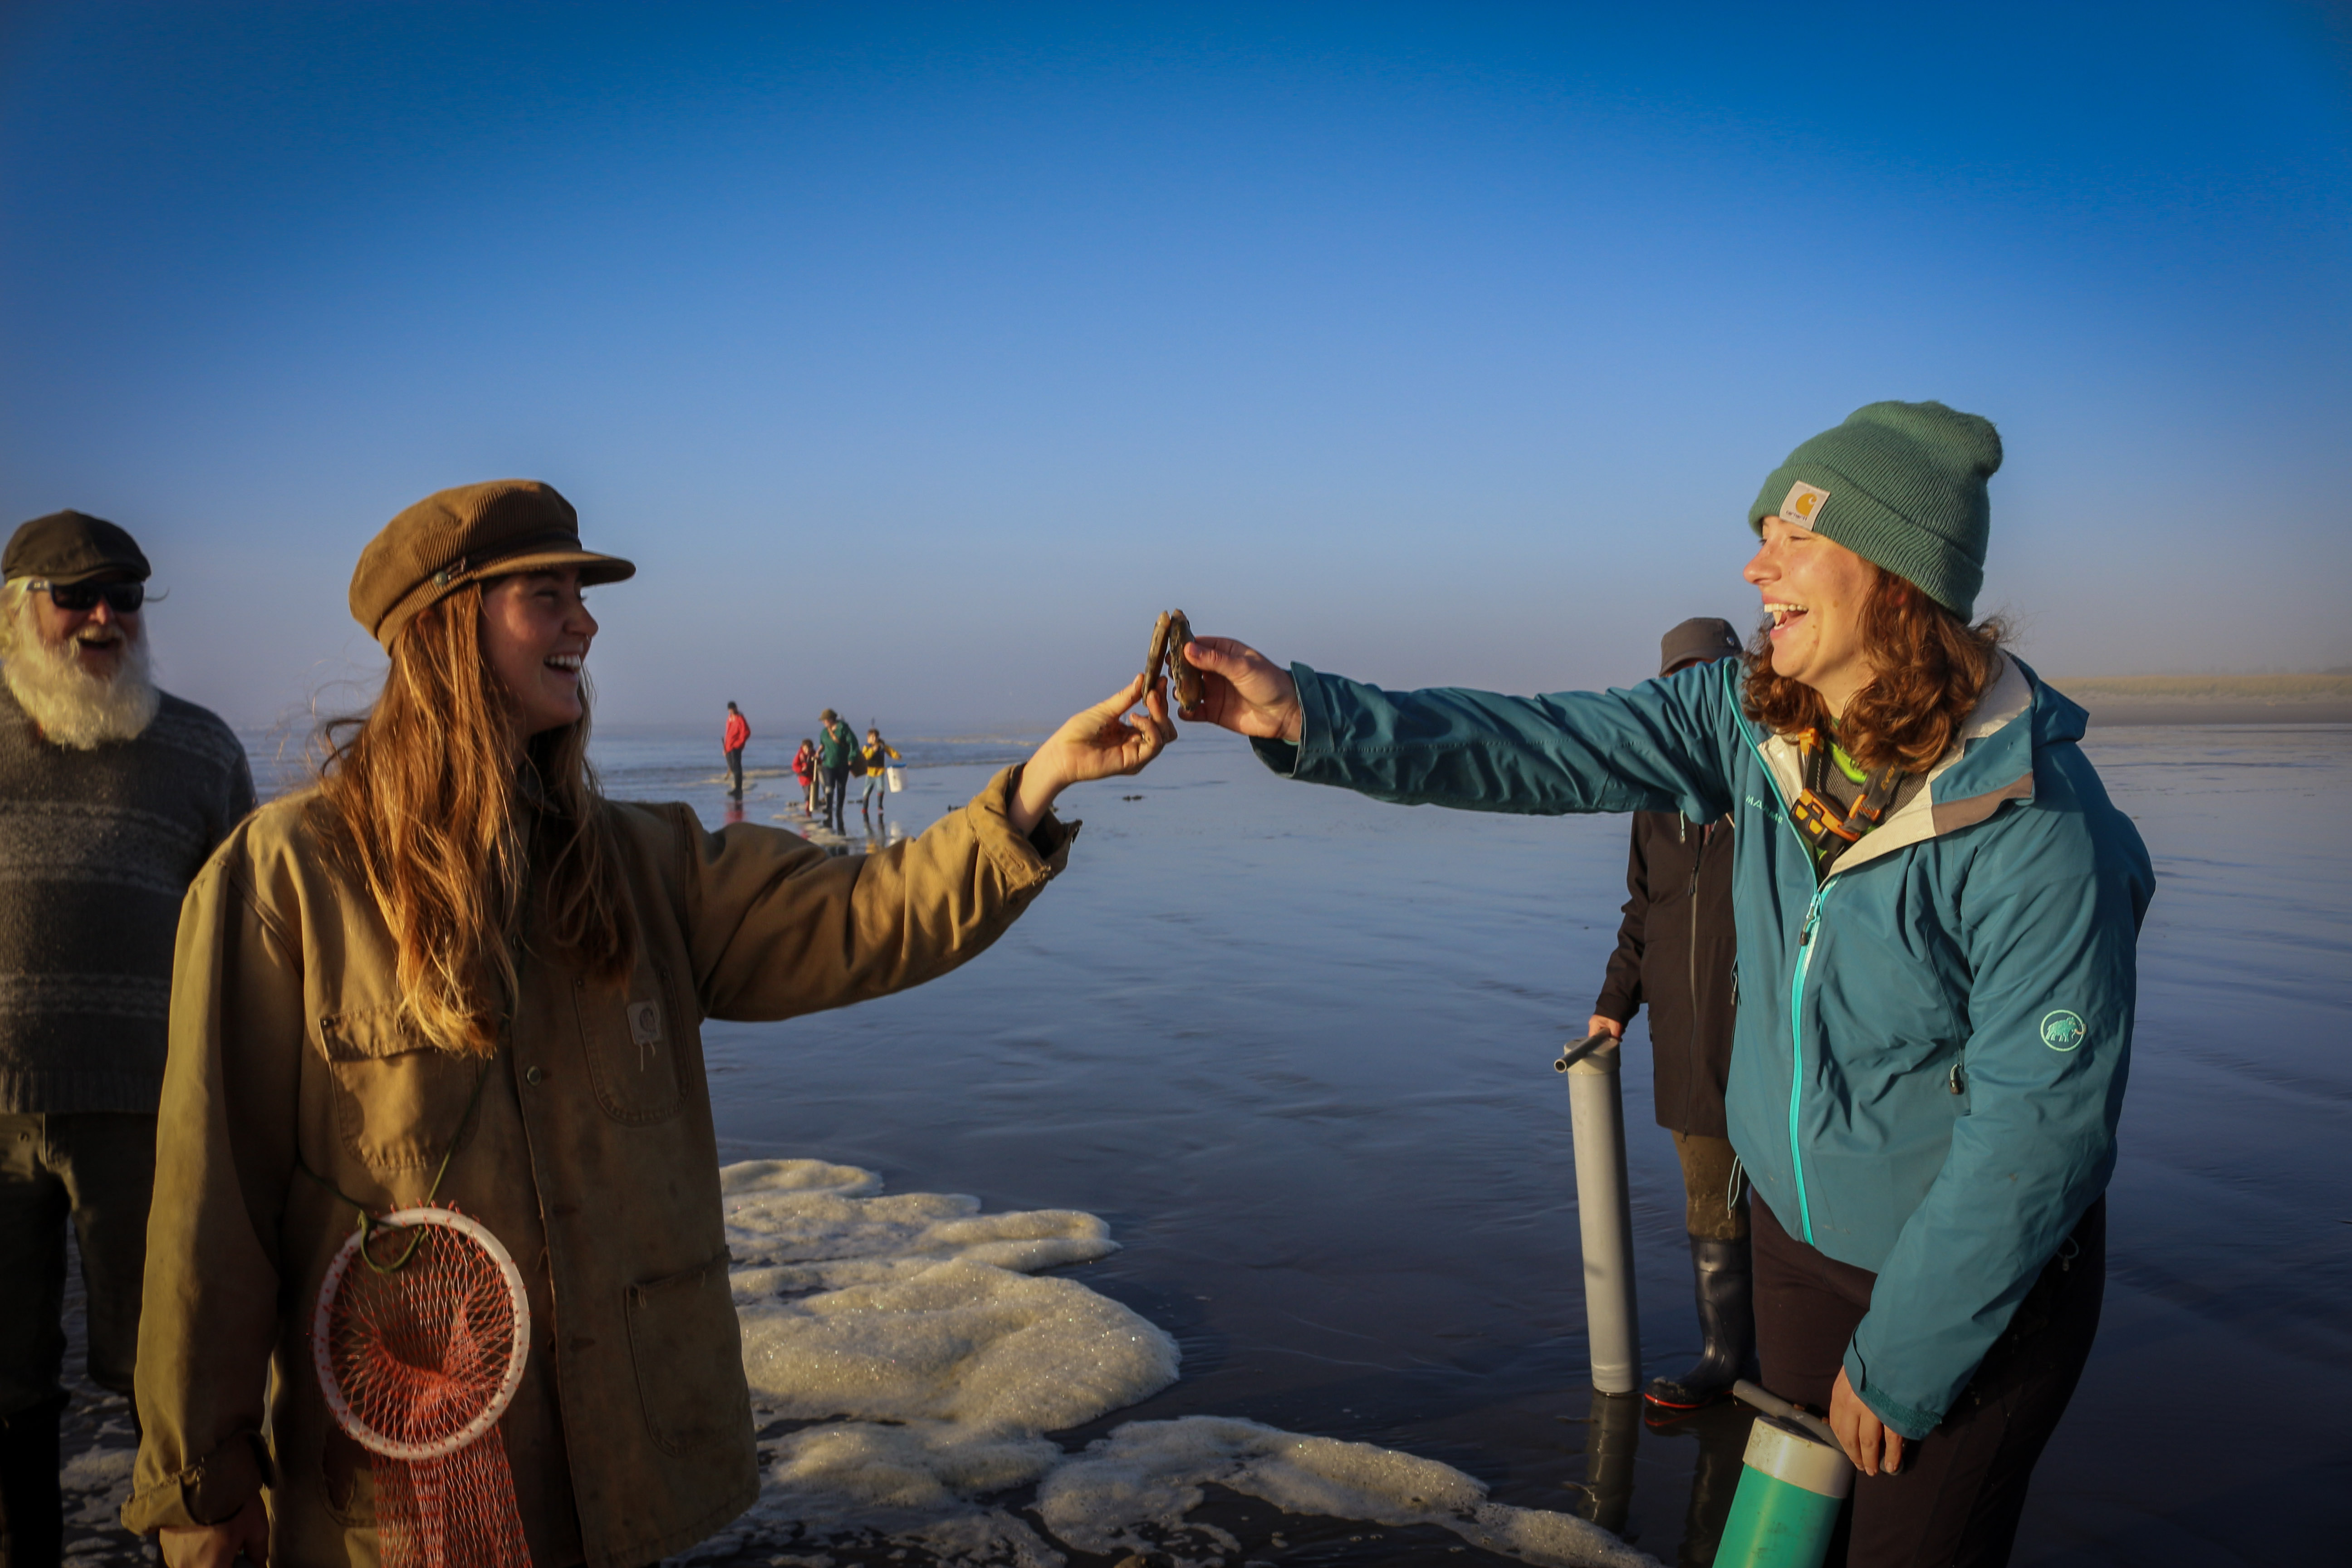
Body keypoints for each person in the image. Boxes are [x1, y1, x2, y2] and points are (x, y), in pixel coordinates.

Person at [118, 479, 1173, 1568]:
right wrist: (201, 1482)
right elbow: (210, 1209)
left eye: (582, 590)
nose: (586, 618)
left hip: (616, 1475)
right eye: (547, 593)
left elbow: (863, 914)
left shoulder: (644, 865)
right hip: (401, 1494)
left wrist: (1036, 783)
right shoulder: (286, 877)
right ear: (444, 628)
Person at [1183, 402, 2152, 1566]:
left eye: (1794, 539)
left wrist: (1902, 1363)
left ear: (1895, 579)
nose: (1755, 567)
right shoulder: (1748, 722)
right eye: (1761, 537)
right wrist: (1309, 714)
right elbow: (1543, 744)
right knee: (1775, 1547)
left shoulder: (2035, 823)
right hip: (1797, 1240)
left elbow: (2034, 1135)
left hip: (1975, 1281)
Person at [0, 511, 254, 1568]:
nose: (105, 615)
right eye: (77, 594)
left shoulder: (199, 745)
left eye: (127, 596)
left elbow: (249, 941)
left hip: (150, 1111)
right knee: (6, 1380)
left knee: (163, 1375)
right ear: (20, 609)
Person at [1585, 616, 1752, 1416]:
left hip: (1768, 1034)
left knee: (1800, 1206)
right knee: (1708, 1200)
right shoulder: (1653, 804)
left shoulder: (1776, 787)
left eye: (1713, 679)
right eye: (1681, 683)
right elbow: (1641, 912)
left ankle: (1812, 1360)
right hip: (1684, 1037)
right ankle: (1723, 1357)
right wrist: (1612, 1007)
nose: (1699, 696)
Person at [815, 707, 856, 832]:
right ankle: (829, 807)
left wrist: (851, 758)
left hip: (843, 764)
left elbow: (853, 743)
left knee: (841, 787)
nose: (823, 722)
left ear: (831, 719)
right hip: (828, 763)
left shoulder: (844, 729)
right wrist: (818, 753)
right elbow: (823, 744)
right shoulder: (824, 733)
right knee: (829, 787)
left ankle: (839, 809)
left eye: (825, 720)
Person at [859, 726, 901, 816]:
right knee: (867, 791)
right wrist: (873, 750)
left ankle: (880, 805)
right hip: (870, 773)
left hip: (880, 772)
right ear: (868, 738)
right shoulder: (866, 747)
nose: (874, 739)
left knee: (881, 788)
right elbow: (865, 757)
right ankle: (865, 808)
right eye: (872, 737)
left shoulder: (882, 746)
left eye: (876, 737)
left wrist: (897, 756)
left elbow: (891, 751)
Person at [722, 700, 750, 798]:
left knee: (737, 767)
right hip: (729, 747)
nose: (731, 711)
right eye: (729, 710)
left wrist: (739, 744)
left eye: (732, 709)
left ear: (736, 708)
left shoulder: (740, 719)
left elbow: (746, 732)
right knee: (732, 767)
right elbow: (728, 734)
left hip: (736, 747)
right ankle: (736, 788)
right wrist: (725, 748)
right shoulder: (729, 719)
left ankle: (738, 789)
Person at [792, 736, 818, 815]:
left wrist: (818, 761)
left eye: (809, 749)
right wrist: (801, 769)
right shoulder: (799, 756)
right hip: (804, 778)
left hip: (813, 777)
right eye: (806, 749)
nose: (807, 751)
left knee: (813, 792)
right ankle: (808, 806)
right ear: (803, 748)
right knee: (807, 793)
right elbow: (795, 766)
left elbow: (820, 762)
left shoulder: (814, 754)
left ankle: (812, 805)